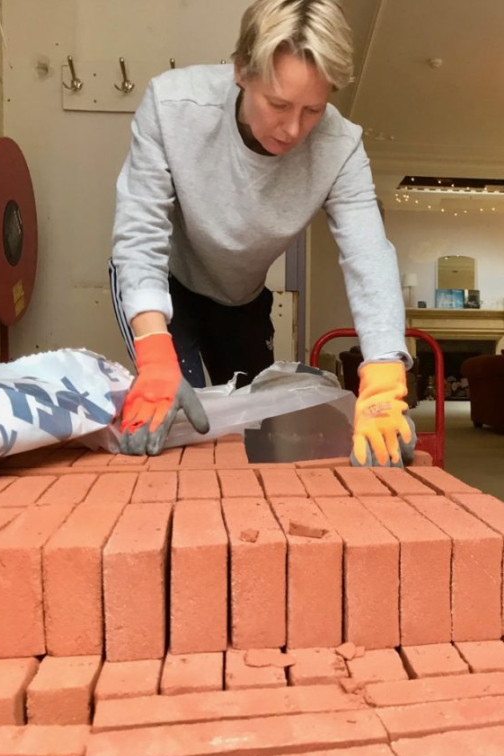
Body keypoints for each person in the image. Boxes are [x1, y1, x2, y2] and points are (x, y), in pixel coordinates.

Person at [109, 0, 415, 467]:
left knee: (255, 435)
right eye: (278, 104)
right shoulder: (172, 106)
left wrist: (385, 378)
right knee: (181, 428)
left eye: (313, 109)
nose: (293, 129)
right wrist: (153, 352)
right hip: (166, 286)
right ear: (241, 71)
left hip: (241, 299)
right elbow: (139, 232)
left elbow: (368, 256)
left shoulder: (340, 147)